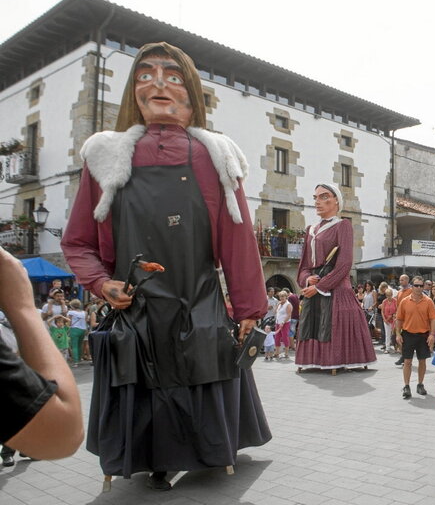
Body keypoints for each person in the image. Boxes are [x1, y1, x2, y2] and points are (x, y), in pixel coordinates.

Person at [60, 41, 270, 490]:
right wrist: (101, 284)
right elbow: (77, 241)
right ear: (132, 92)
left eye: (173, 76)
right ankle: (146, 457)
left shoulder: (216, 154)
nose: (158, 83)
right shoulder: (103, 155)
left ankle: (205, 452)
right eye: (146, 74)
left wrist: (249, 306)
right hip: (135, 308)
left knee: (200, 365)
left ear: (192, 95)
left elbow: (237, 240)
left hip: (198, 300)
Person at [0, 246, 83, 463]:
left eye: (61, 292)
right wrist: (22, 305)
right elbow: (62, 436)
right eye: (57, 292)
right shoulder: (41, 307)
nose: (60, 294)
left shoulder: (62, 306)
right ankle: (10, 450)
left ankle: (23, 446)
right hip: (27, 346)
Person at [295, 183, 376, 374]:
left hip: (336, 288)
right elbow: (303, 266)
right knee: (310, 322)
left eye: (324, 197)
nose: (318, 202)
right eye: (315, 198)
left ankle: (337, 360)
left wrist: (320, 286)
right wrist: (308, 279)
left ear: (337, 201)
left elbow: (344, 264)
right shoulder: (310, 230)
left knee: (332, 322)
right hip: (315, 287)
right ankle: (313, 360)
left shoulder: (343, 225)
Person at [395, 276, 435, 399]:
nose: (419, 288)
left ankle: (420, 384)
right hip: (407, 334)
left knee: (422, 361)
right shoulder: (404, 301)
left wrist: (432, 335)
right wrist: (398, 334)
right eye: (416, 285)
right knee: (407, 361)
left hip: (423, 335)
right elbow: (399, 319)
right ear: (412, 286)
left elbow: (433, 319)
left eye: (421, 285)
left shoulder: (428, 301)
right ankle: (406, 386)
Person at [66, 299, 86, 367]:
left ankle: (76, 362)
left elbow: (69, 321)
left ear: (71, 305)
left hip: (74, 329)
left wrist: (67, 329)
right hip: (83, 329)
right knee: (79, 345)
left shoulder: (70, 312)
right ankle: (79, 359)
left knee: (74, 345)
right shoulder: (84, 312)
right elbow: (86, 321)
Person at [274, 290, 292, 359]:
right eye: (280, 296)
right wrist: (277, 305)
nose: (281, 298)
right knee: (277, 337)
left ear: (286, 297)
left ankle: (286, 353)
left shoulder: (288, 304)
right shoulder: (279, 303)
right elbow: (275, 312)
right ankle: (277, 353)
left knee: (285, 337)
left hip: (285, 323)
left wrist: (283, 322)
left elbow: (289, 315)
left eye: (282, 296)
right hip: (278, 322)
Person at [380, 288, 397, 354]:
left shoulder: (395, 301)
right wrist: (384, 319)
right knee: (387, 334)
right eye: (387, 295)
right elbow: (382, 311)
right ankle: (387, 348)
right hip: (386, 320)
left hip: (393, 320)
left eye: (390, 295)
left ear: (392, 294)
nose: (389, 297)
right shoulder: (384, 301)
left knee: (394, 334)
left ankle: (396, 347)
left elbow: (397, 310)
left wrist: (393, 315)